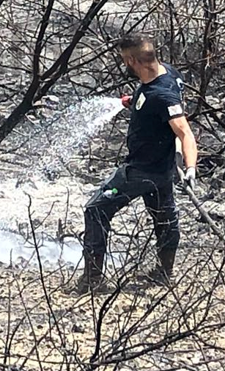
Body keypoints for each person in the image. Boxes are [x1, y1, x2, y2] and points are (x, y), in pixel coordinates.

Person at [78, 34, 198, 294]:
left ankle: (92, 280)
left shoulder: (162, 95)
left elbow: (185, 132)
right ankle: (164, 274)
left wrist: (190, 168)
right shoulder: (169, 74)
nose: (124, 65)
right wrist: (134, 102)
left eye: (124, 61)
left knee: (96, 210)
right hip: (163, 169)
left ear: (133, 60)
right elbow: (153, 101)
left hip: (141, 171)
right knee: (165, 220)